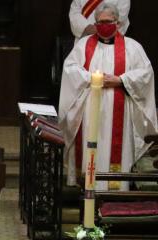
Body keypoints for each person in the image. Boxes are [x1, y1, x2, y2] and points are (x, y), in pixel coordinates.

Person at [59, 2, 157, 189]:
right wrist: (92, 78)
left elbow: (145, 74)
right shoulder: (83, 45)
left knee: (115, 154)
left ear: (118, 23)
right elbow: (70, 69)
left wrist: (121, 80)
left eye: (108, 22)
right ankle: (86, 190)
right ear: (94, 24)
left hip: (120, 113)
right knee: (90, 150)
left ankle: (115, 192)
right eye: (100, 22)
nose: (104, 26)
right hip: (89, 113)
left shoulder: (132, 47)